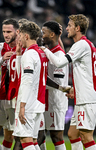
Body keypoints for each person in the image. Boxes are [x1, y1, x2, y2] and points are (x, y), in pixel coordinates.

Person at [42, 14, 96, 150]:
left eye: (69, 26)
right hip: (84, 96)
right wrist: (75, 89)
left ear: (78, 28)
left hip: (88, 98)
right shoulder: (85, 44)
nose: (67, 28)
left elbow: (59, 62)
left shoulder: (81, 45)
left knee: (86, 137)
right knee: (73, 134)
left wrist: (44, 49)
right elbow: (84, 72)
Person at [12, 21, 48, 150]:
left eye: (20, 35)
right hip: (38, 102)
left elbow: (26, 81)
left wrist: (22, 106)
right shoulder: (40, 53)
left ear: (26, 36)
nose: (19, 38)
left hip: (29, 103)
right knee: (32, 141)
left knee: (25, 140)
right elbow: (21, 75)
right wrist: (18, 55)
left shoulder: (30, 54)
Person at [0, 18, 19, 150]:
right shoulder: (0, 47)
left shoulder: (24, 48)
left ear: (17, 31)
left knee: (9, 136)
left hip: (15, 99)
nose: (6, 34)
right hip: (0, 97)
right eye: (4, 31)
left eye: (9, 31)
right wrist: (1, 59)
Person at [42, 20, 69, 150]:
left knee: (56, 136)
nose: (42, 36)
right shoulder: (51, 51)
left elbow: (58, 83)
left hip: (55, 102)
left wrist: (39, 81)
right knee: (39, 136)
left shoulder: (59, 54)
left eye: (44, 33)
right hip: (44, 101)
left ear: (52, 35)